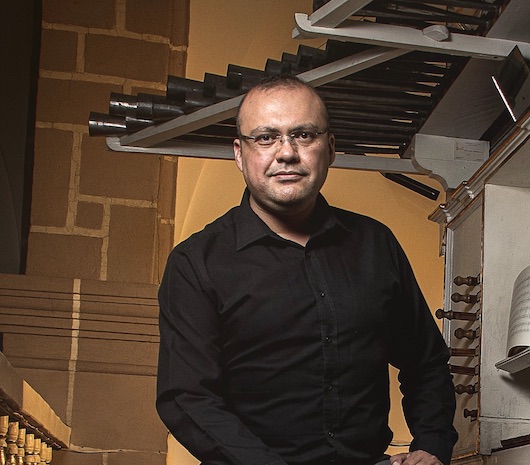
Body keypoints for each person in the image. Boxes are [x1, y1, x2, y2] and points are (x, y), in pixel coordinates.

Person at [156, 75, 458, 465]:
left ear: (329, 148)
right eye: (265, 137)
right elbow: (187, 398)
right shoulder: (196, 262)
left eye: (303, 135)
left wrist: (432, 443)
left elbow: (425, 361)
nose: (286, 153)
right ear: (239, 153)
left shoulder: (375, 243)